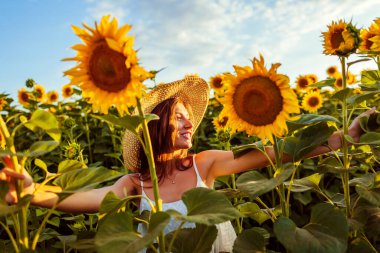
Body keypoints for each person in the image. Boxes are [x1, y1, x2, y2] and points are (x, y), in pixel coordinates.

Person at [0, 75, 376, 252]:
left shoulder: (204, 164)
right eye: (178, 116)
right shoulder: (135, 183)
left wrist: (347, 136)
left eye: (187, 117)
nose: (187, 123)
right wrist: (35, 193)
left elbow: (277, 153)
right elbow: (85, 197)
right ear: (155, 125)